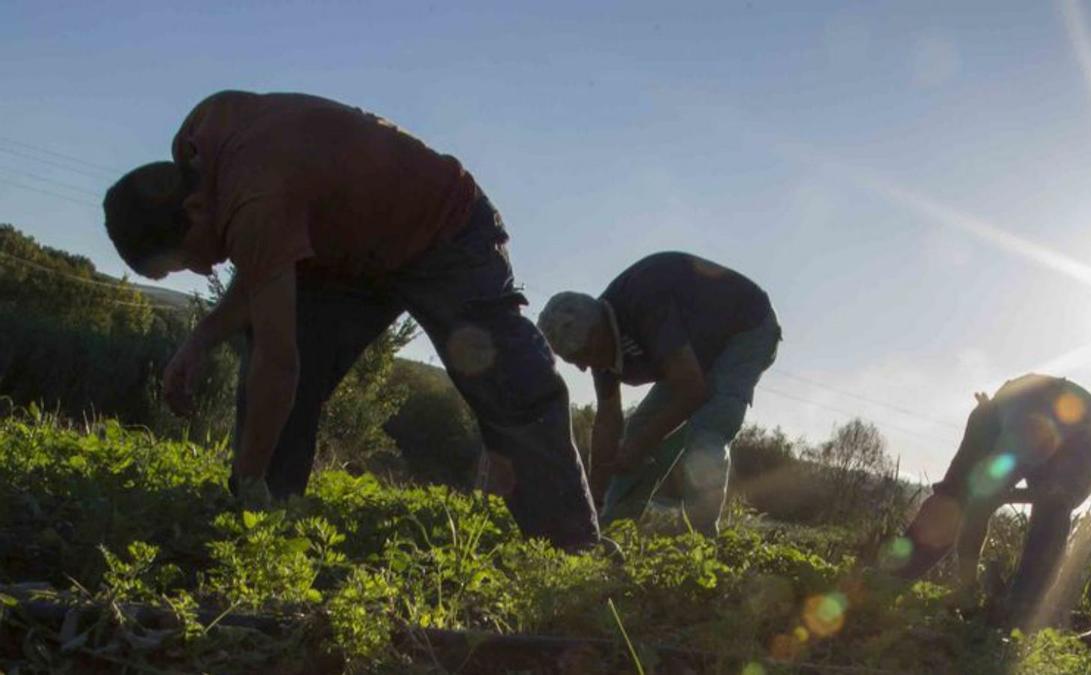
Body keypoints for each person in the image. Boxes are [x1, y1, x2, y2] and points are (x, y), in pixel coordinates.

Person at [102, 90, 599, 550]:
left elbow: (279, 360)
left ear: (192, 207)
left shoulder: (255, 196)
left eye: (187, 259)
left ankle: (572, 551)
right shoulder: (200, 145)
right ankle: (266, 521)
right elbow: (262, 259)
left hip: (443, 229)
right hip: (347, 253)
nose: (205, 268)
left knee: (512, 385)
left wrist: (241, 484)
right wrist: (201, 340)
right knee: (289, 364)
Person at [537, 252, 781, 536]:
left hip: (747, 328)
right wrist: (595, 492)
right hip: (693, 353)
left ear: (598, 331)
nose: (582, 366)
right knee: (640, 430)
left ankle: (699, 543)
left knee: (706, 434)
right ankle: (609, 530)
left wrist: (640, 446)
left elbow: (692, 391)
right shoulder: (597, 341)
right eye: (571, 359)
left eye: (582, 355)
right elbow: (607, 421)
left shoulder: (645, 302)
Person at [888, 373, 1091, 624]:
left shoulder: (1089, 449)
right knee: (968, 496)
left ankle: (1015, 608)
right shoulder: (1084, 444)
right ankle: (1019, 609)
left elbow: (991, 501)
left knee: (1043, 507)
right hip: (1037, 410)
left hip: (1057, 416)